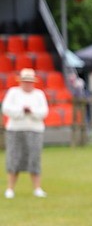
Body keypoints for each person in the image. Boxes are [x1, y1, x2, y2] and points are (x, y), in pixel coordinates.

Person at [3, 69, 49, 199]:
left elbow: (44, 111)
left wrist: (32, 111)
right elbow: (6, 108)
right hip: (15, 130)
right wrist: (21, 111)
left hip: (35, 130)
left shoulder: (39, 94)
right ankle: (10, 188)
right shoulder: (13, 93)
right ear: (21, 82)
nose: (28, 84)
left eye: (30, 82)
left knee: (34, 159)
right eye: (25, 82)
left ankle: (37, 188)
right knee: (14, 158)